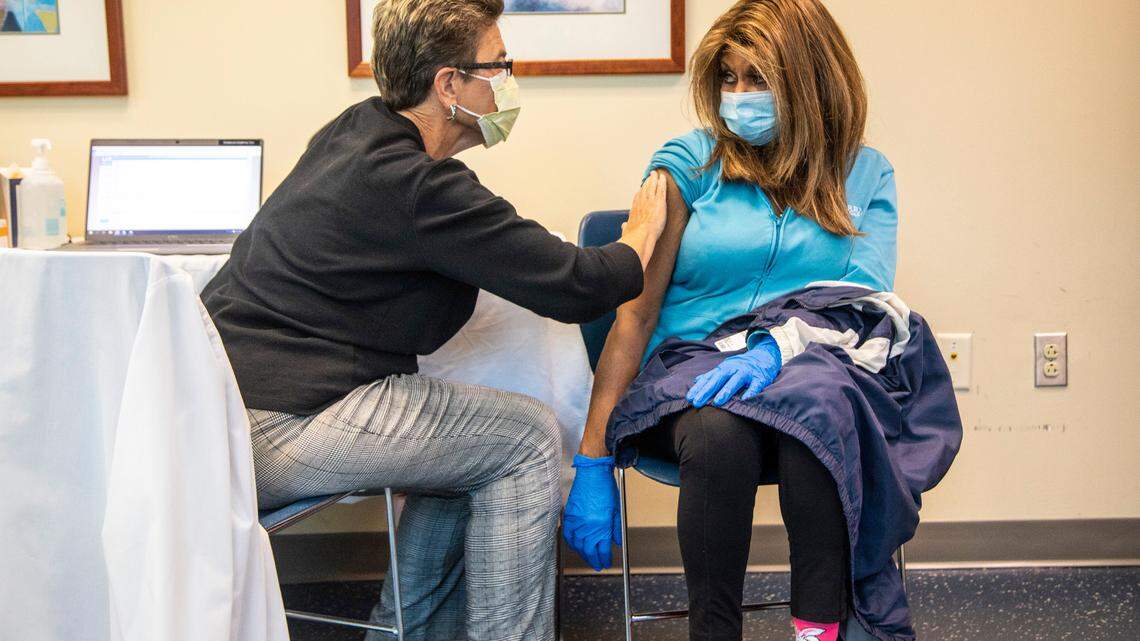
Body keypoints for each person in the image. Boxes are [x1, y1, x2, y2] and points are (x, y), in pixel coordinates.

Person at [200, 1, 667, 639]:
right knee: (524, 434)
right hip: (279, 429)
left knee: (473, 442)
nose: (508, 79)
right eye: (498, 64)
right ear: (449, 84)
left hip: (221, 414)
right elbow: (582, 286)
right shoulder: (415, 185)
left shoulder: (355, 133)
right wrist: (643, 230)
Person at [562, 1, 898, 640]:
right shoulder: (687, 165)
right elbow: (633, 317)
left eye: (759, 78)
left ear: (809, 80)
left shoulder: (866, 174)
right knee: (719, 434)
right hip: (690, 385)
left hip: (807, 374)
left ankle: (816, 631)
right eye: (728, 78)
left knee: (817, 424)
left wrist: (775, 351)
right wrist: (593, 458)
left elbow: (864, 309)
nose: (739, 96)